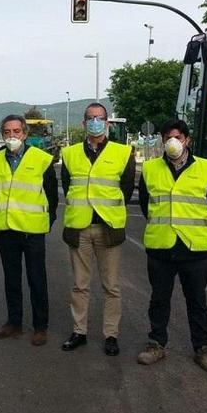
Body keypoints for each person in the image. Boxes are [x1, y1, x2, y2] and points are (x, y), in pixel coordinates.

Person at [136, 119, 207, 372]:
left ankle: (202, 348)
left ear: (187, 140)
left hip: (193, 247)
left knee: (197, 300)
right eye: (167, 138)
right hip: (161, 246)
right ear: (162, 141)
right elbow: (145, 204)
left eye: (177, 137)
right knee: (159, 299)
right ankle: (156, 344)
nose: (172, 142)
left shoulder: (206, 169)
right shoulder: (151, 169)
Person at [60, 103, 135, 356]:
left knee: (111, 286)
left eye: (99, 118)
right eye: (90, 118)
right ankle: (79, 331)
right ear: (83, 124)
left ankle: (110, 335)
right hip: (79, 227)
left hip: (108, 228)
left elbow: (125, 191)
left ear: (107, 123)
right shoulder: (69, 154)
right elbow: (67, 185)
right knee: (80, 285)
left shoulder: (124, 153)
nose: (95, 122)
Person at [0, 115, 59, 346]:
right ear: (2, 134)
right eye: (7, 132)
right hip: (7, 229)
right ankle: (14, 323)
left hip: (32, 231)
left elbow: (51, 196)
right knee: (11, 279)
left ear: (25, 134)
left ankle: (40, 327)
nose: (12, 136)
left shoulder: (41, 159)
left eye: (16, 131)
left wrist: (47, 222)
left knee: (36, 279)